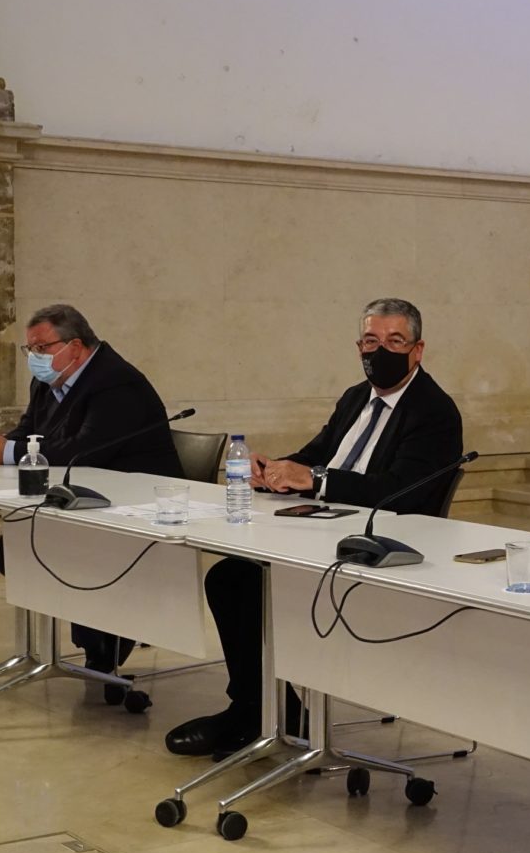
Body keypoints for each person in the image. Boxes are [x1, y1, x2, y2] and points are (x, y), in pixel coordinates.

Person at [165, 297, 464, 759]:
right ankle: (263, 708)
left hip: (377, 551)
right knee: (231, 576)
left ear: (417, 350)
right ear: (358, 347)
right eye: (370, 341)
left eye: (394, 341)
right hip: (323, 531)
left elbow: (402, 492)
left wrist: (317, 480)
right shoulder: (354, 398)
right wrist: (277, 469)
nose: (380, 351)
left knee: (240, 581)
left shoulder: (434, 411)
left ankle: (257, 711)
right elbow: (317, 455)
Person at [0, 304, 183, 678]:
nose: (35, 358)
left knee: (50, 549)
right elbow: (30, 432)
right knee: (13, 550)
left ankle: (104, 641)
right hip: (83, 499)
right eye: (30, 349)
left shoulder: (115, 382)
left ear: (74, 346)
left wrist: (8, 452)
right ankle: (96, 641)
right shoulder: (48, 381)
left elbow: (85, 451)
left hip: (135, 504)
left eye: (42, 348)